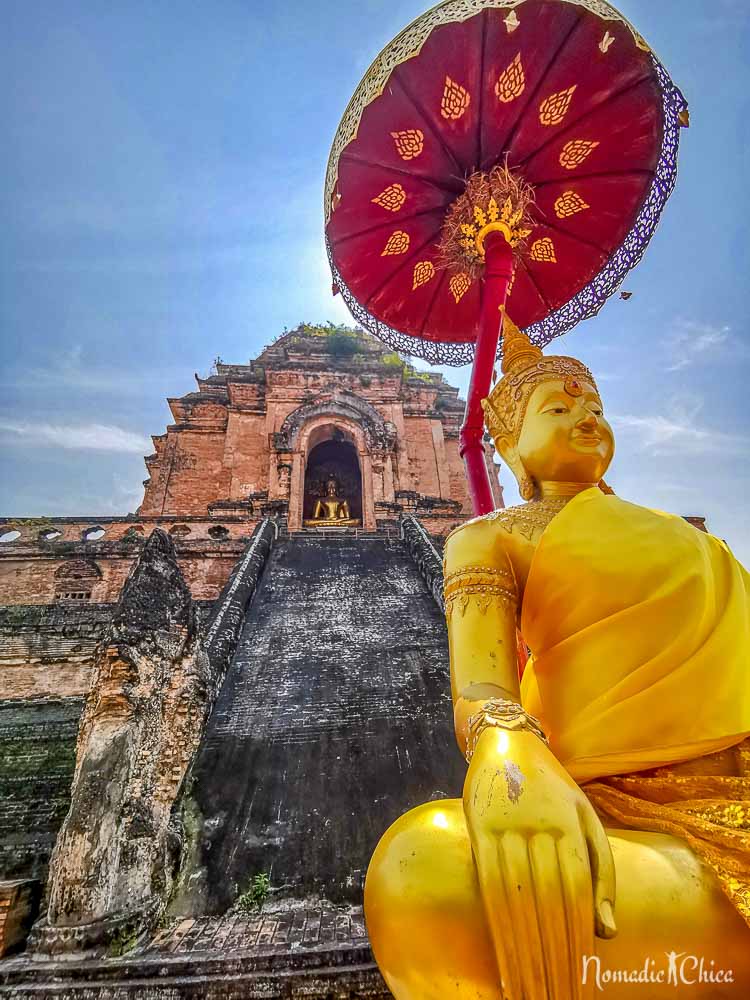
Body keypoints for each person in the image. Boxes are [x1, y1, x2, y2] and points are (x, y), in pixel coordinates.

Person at [364, 316, 750, 998]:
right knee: (421, 870)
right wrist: (507, 751)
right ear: (508, 447)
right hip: (620, 823)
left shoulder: (688, 538)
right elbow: (483, 685)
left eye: (595, 407)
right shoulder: (488, 538)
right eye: (559, 407)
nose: (585, 417)